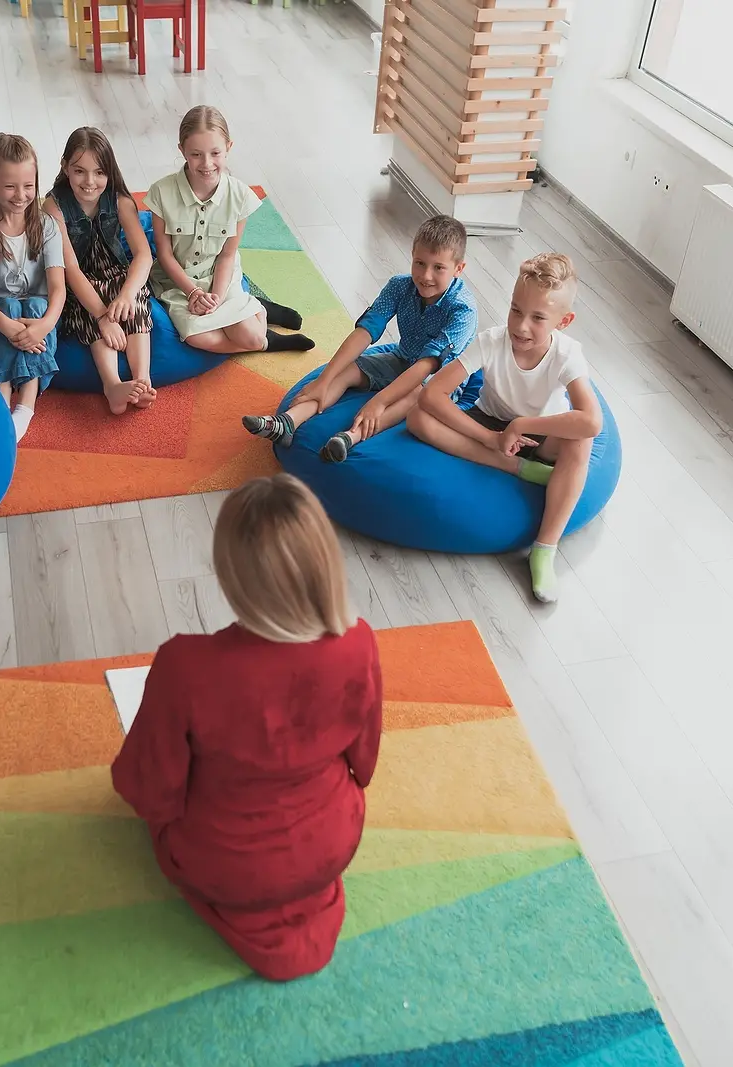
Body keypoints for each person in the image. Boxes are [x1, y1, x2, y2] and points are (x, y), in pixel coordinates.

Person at [111, 474, 382, 982]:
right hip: (334, 842)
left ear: (230, 575)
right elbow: (364, 762)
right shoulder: (360, 640)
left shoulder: (185, 665)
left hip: (224, 866)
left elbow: (148, 786)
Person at [406, 252, 601, 603]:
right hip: (491, 424)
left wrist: (523, 424)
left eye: (538, 318)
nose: (521, 326)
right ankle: (518, 468)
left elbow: (591, 420)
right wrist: (492, 438)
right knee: (417, 417)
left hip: (540, 433)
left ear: (564, 320)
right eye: (516, 310)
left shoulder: (567, 354)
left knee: (581, 440)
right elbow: (433, 394)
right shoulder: (492, 341)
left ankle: (544, 549)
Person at [242, 215, 477, 463]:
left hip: (439, 380)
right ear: (412, 254)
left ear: (458, 269)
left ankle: (349, 438)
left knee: (418, 393)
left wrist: (378, 402)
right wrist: (324, 380)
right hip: (403, 356)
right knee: (349, 371)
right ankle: (288, 423)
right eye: (419, 263)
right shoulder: (400, 286)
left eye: (438, 267)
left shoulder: (463, 311)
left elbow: (425, 367)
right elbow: (364, 332)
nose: (425, 275)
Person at [146, 105, 314, 355]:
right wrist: (193, 292)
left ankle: (260, 314)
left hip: (220, 276)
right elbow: (165, 255)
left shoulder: (239, 196)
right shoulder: (161, 193)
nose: (206, 164)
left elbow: (226, 256)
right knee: (198, 338)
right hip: (178, 282)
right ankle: (268, 341)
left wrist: (215, 296)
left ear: (228, 148)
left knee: (250, 336)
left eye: (215, 153)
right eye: (196, 154)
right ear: (182, 151)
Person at [43, 127, 158, 415]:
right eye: (79, 171)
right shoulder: (53, 207)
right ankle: (112, 385)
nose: (90, 182)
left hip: (114, 272)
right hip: (79, 279)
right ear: (65, 166)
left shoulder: (119, 200)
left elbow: (143, 255)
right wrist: (104, 316)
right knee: (86, 305)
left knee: (135, 296)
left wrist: (128, 296)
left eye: (99, 172)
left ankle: (142, 379)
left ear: (110, 170)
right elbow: (70, 269)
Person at [0, 132, 65, 441]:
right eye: (10, 186)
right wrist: (8, 328)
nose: (20, 195)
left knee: (34, 304)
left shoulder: (46, 226)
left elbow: (58, 288)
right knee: (8, 305)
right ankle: (1, 397)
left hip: (37, 312)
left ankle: (25, 407)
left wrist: (43, 327)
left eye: (28, 186)